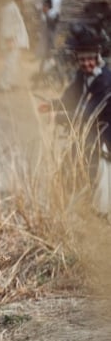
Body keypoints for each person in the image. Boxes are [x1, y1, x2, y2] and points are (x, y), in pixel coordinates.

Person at [38, 24, 111, 216]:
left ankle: (93, 214)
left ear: (97, 57)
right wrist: (52, 105)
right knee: (69, 166)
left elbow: (89, 112)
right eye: (82, 59)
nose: (86, 64)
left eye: (90, 59)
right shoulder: (82, 75)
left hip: (103, 136)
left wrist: (59, 117)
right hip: (85, 133)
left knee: (93, 174)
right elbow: (70, 98)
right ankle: (68, 207)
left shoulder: (106, 81)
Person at [0, 0, 29, 91]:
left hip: (16, 41)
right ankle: (4, 84)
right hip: (11, 40)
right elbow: (7, 25)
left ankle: (10, 82)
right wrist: (9, 39)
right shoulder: (10, 9)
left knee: (14, 62)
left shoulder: (15, 8)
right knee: (9, 62)